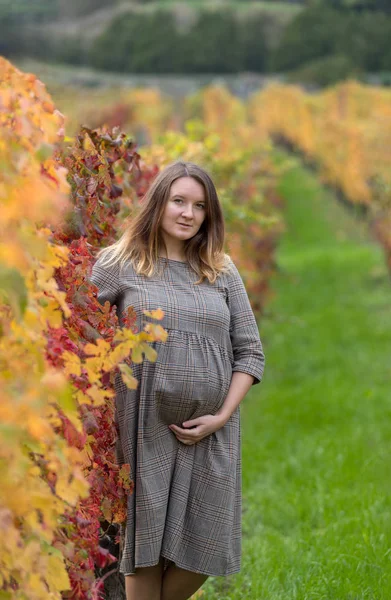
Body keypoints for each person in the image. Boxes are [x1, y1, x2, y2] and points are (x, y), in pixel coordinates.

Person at [89, 160, 265, 600]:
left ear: (210, 214)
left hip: (210, 434)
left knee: (206, 547)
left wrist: (221, 415)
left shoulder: (221, 270)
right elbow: (80, 330)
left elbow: (250, 352)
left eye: (199, 206)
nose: (188, 213)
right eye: (179, 201)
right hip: (142, 429)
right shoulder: (119, 264)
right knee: (143, 551)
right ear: (159, 203)